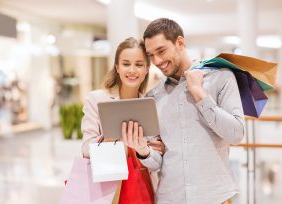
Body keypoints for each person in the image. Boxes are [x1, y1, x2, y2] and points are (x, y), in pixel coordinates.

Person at [122, 18, 245, 204]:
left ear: (180, 42)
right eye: (151, 55)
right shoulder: (153, 97)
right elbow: (157, 162)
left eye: (161, 51)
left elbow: (236, 134)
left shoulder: (221, 78)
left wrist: (200, 95)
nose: (157, 61)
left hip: (214, 197)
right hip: (170, 198)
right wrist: (143, 150)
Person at [81, 37, 165, 203]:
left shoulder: (152, 105)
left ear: (147, 68)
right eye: (126, 64)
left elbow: (156, 163)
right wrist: (109, 139)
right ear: (117, 67)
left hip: (143, 190)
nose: (132, 70)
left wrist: (143, 150)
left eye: (139, 64)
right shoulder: (96, 100)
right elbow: (85, 149)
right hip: (106, 189)